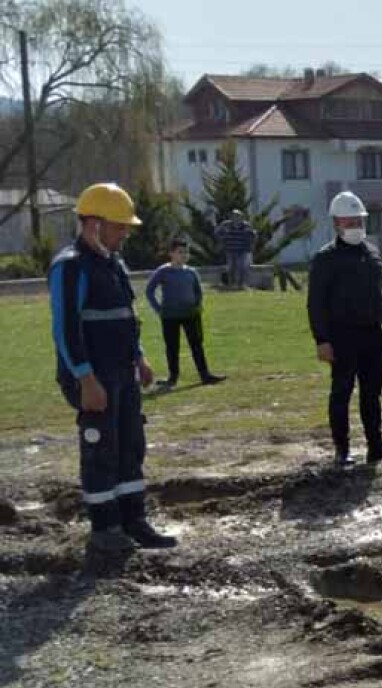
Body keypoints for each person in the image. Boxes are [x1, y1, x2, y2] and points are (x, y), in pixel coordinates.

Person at [48, 183, 177, 554]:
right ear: (93, 225)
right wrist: (85, 378)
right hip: (93, 377)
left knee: (130, 445)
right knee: (100, 448)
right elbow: (66, 329)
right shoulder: (70, 267)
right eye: (119, 226)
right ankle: (105, 529)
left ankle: (133, 521)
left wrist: (139, 357)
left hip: (123, 371)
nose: (124, 233)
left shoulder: (114, 263)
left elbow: (125, 316)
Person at [307, 191, 382, 467]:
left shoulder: (372, 254)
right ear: (337, 223)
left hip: (372, 334)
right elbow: (315, 304)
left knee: (372, 393)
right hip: (342, 336)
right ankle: (342, 450)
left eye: (359, 221)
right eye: (349, 222)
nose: (355, 227)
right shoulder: (326, 259)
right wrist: (322, 340)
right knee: (341, 392)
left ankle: (376, 445)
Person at [145, 239, 226, 388]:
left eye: (186, 252)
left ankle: (205, 375)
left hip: (191, 314)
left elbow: (198, 291)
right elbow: (149, 291)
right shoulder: (163, 271)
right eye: (180, 252)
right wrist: (159, 309)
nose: (184, 255)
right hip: (170, 316)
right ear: (171, 253)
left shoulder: (191, 272)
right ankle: (173, 377)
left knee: (196, 345)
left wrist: (198, 305)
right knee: (172, 347)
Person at [214, 209, 256, 289]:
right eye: (234, 216)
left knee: (241, 267)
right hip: (230, 250)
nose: (236, 218)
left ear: (241, 218)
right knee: (231, 267)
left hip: (242, 250)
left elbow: (253, 235)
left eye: (238, 216)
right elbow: (217, 232)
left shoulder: (246, 226)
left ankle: (241, 284)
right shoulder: (226, 225)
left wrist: (250, 243)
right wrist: (223, 237)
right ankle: (232, 284)